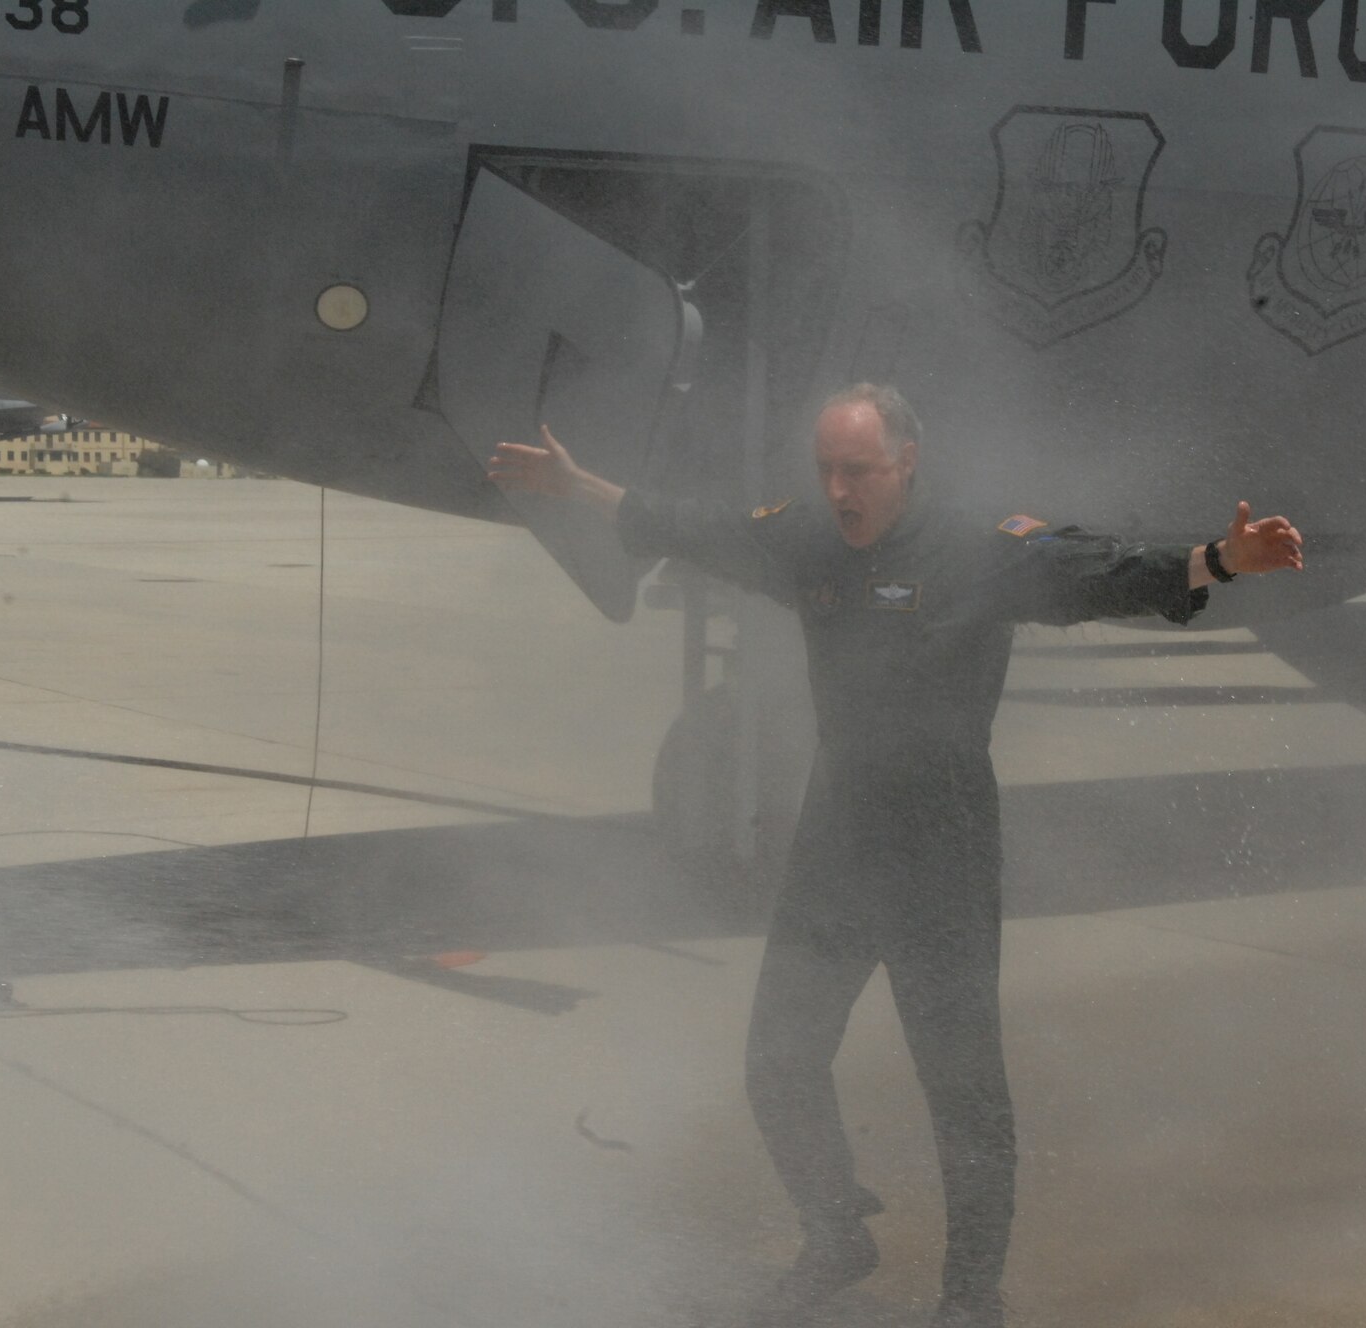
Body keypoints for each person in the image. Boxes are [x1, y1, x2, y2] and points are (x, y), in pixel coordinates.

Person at [488, 384, 1304, 1328]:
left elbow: (1102, 573)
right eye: (827, 470)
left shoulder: (983, 550)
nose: (840, 491)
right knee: (778, 1062)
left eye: (859, 472)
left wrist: (1218, 561)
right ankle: (837, 1234)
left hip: (942, 847)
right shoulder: (805, 539)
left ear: (906, 462)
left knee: (963, 1093)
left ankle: (969, 1298)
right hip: (837, 840)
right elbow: (696, 526)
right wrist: (581, 485)